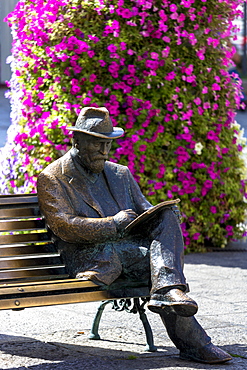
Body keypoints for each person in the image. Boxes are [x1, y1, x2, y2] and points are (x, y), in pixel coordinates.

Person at [37, 107, 232, 364]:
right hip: (90, 258)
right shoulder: (53, 177)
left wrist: (162, 215)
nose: (104, 152)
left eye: (108, 145)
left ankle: (168, 291)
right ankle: (193, 338)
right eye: (97, 144)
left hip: (130, 252)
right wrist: (114, 224)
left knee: (165, 217)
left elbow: (146, 211)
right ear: (77, 140)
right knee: (160, 265)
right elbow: (65, 226)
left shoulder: (120, 173)